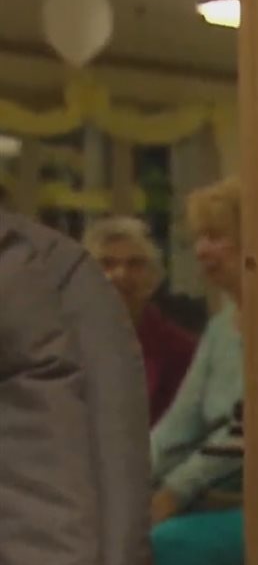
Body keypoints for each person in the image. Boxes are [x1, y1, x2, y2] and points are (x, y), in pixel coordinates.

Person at [0, 210, 150, 565]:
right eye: (111, 262)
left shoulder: (47, 269)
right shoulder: (53, 267)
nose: (121, 274)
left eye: (134, 263)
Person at [148, 177, 245, 565]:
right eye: (198, 239)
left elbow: (248, 430)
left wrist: (174, 491)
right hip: (208, 497)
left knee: (158, 545)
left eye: (215, 237)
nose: (202, 250)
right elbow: (177, 427)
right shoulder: (220, 328)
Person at [84, 216, 197, 426]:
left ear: (154, 276)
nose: (120, 274)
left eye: (135, 264)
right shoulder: (58, 341)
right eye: (106, 263)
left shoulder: (181, 351)